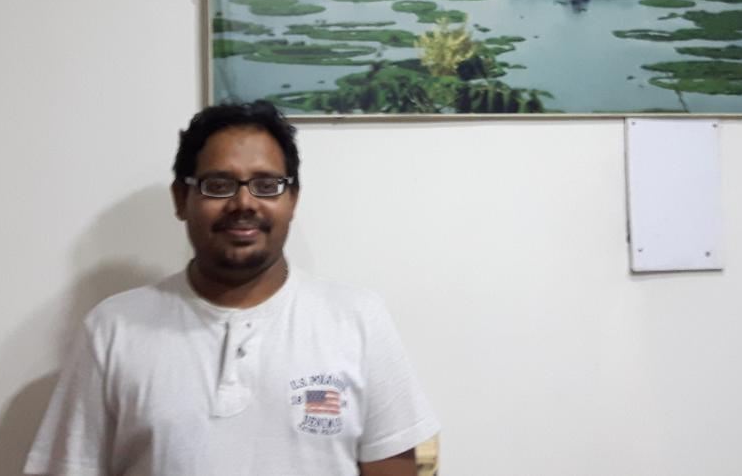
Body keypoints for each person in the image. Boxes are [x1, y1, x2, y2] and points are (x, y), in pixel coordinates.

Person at [25, 101, 439, 476]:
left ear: (292, 198)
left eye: (266, 185)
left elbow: (397, 465)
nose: (244, 203)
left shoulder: (356, 319)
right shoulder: (113, 330)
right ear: (181, 198)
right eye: (219, 185)